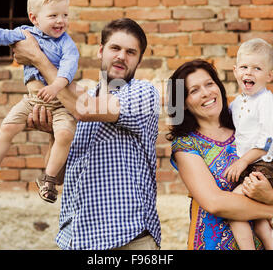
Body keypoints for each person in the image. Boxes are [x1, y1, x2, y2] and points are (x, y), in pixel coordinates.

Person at [11, 18, 161, 250]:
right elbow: (58, 177)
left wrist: (37, 58)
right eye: (115, 48)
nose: (121, 56)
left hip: (128, 239)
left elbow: (84, 109)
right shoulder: (75, 99)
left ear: (139, 60)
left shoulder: (144, 94)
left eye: (130, 52)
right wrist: (55, 133)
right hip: (76, 239)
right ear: (101, 51)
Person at [0, 0, 79, 204]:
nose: (61, 21)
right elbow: (5, 35)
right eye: (53, 15)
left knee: (65, 134)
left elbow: (69, 67)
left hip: (60, 104)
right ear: (34, 18)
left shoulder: (67, 44)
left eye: (65, 15)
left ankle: (49, 179)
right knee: (8, 126)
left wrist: (55, 86)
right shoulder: (25, 34)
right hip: (32, 100)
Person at [167, 59, 273, 250]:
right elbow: (215, 202)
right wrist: (271, 209)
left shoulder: (245, 129)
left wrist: (268, 193)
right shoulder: (186, 144)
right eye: (194, 90)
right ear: (183, 103)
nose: (206, 93)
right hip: (212, 244)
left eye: (209, 84)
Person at [224, 38, 273, 250]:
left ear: (269, 75)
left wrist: (241, 162)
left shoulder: (267, 102)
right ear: (236, 71)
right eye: (244, 67)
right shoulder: (238, 103)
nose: (249, 73)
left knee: (234, 203)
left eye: (257, 68)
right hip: (258, 163)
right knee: (260, 223)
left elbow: (266, 141)